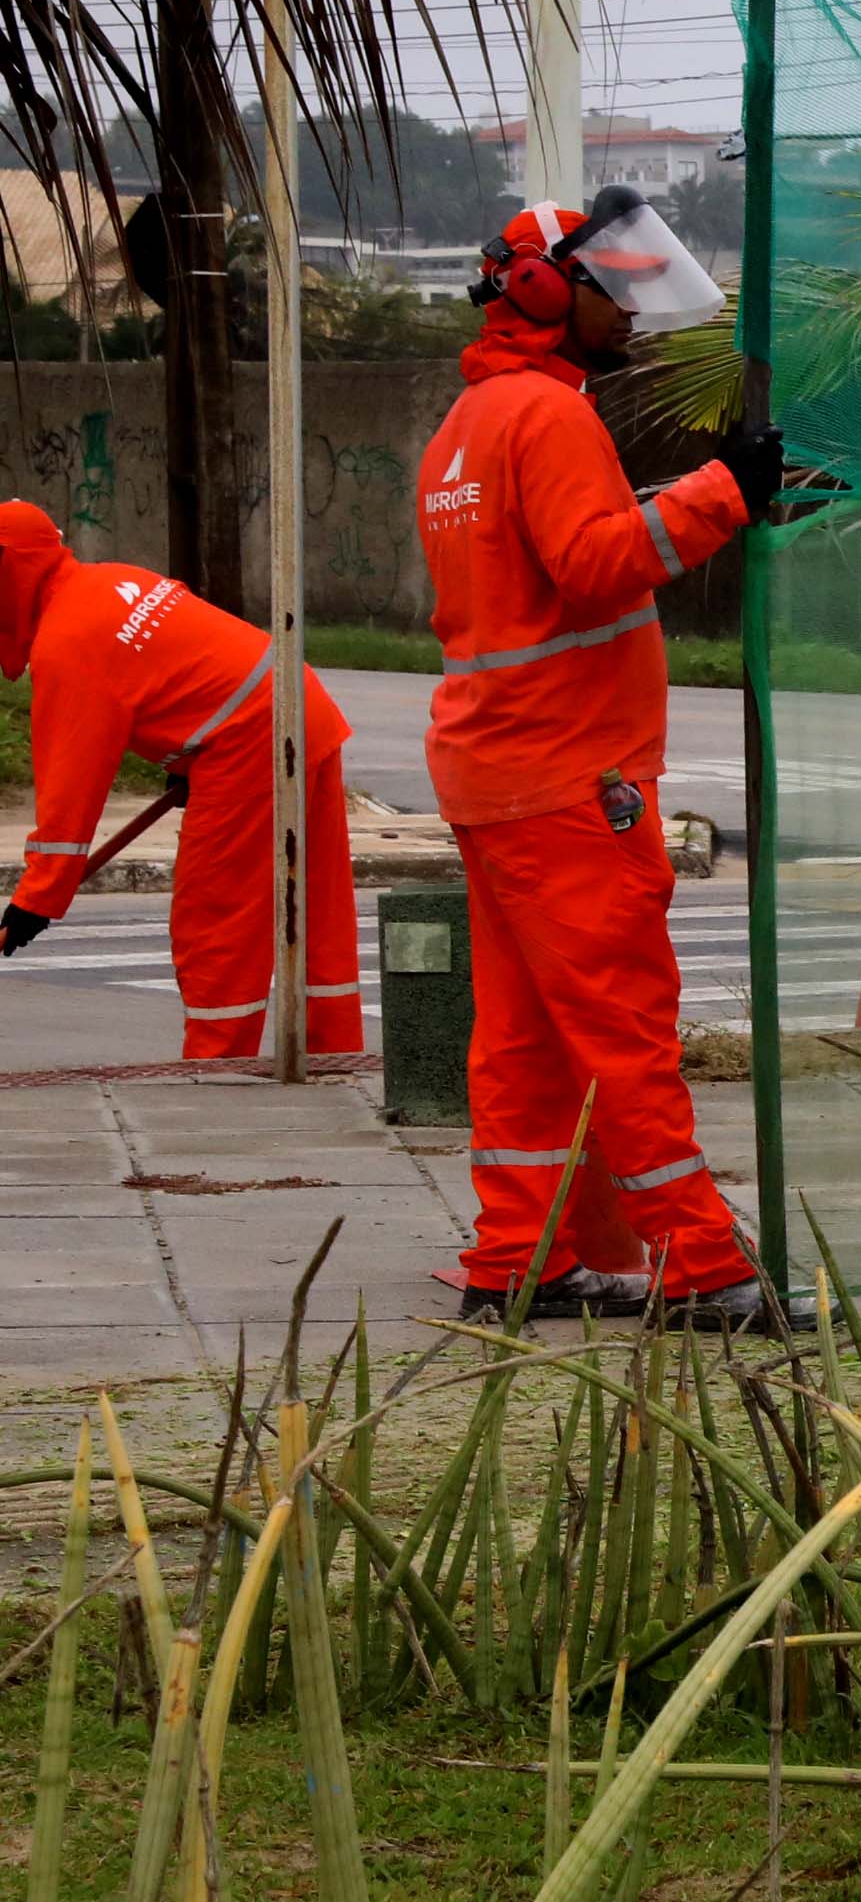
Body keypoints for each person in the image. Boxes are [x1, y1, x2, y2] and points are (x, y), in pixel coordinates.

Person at [418, 189, 786, 1329]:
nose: (632, 311)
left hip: (498, 775)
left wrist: (707, 497)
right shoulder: (548, 417)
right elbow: (594, 564)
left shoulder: (464, 432)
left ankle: (515, 1259)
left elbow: (544, 565)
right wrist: (730, 490)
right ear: (542, 290)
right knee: (626, 1031)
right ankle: (707, 1269)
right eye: (613, 288)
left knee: (523, 1041)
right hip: (573, 779)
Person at [0, 502, 360, 1057]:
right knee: (312, 906)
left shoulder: (68, 643)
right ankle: (338, 1056)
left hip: (249, 739)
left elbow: (69, 795)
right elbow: (185, 666)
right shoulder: (111, 579)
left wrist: (35, 900)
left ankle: (216, 1072)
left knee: (215, 920)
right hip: (298, 702)